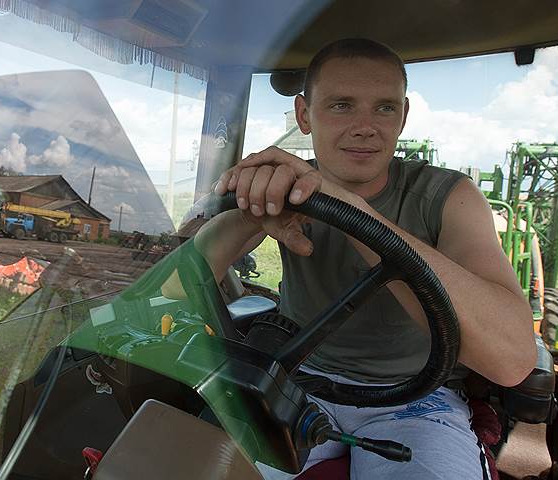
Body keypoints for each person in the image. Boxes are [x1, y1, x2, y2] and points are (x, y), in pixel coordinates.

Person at [194, 39, 536, 479]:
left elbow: (510, 360)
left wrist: (353, 212)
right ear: (303, 115)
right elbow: (180, 283)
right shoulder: (286, 187)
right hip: (299, 382)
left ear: (404, 115)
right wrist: (250, 216)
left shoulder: (449, 197)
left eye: (385, 109)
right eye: (340, 106)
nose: (365, 127)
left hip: (417, 400)